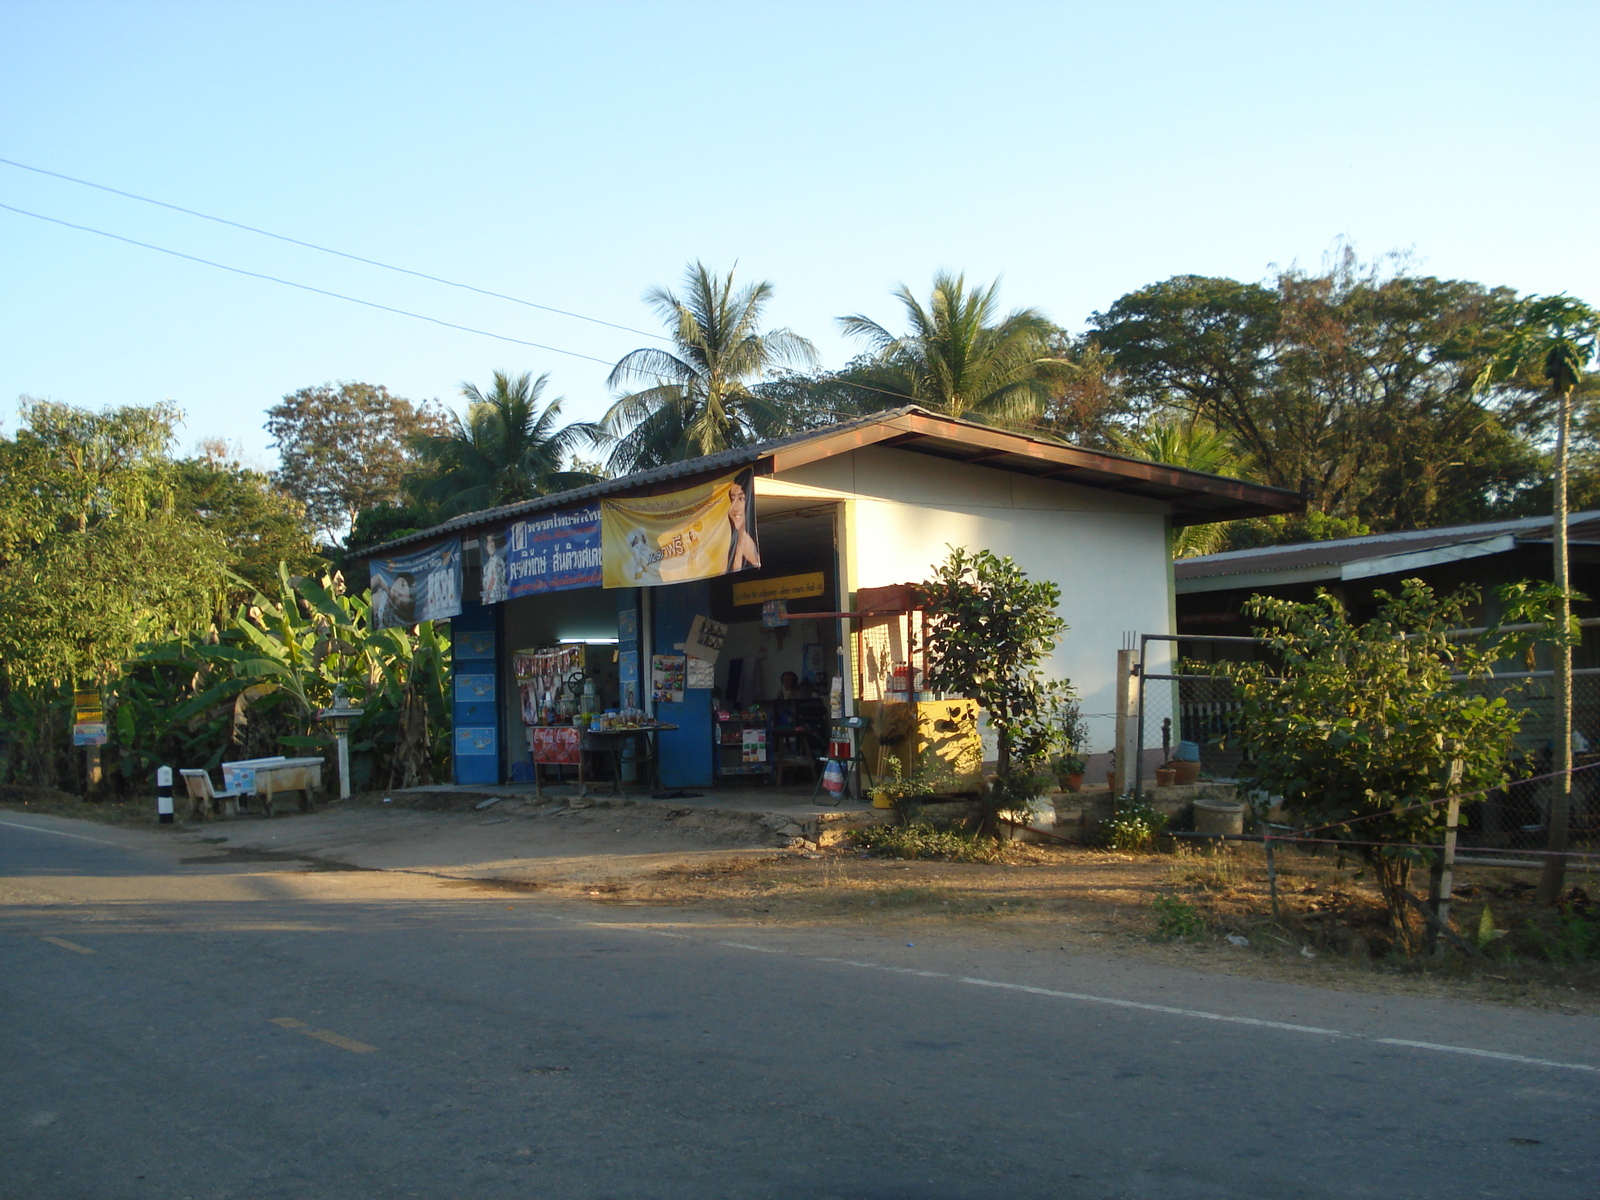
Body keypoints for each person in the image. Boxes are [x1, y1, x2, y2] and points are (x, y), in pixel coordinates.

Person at [725, 478, 761, 572]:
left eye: (741, 499)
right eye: (732, 499)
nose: (734, 507)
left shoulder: (748, 545)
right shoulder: (730, 543)